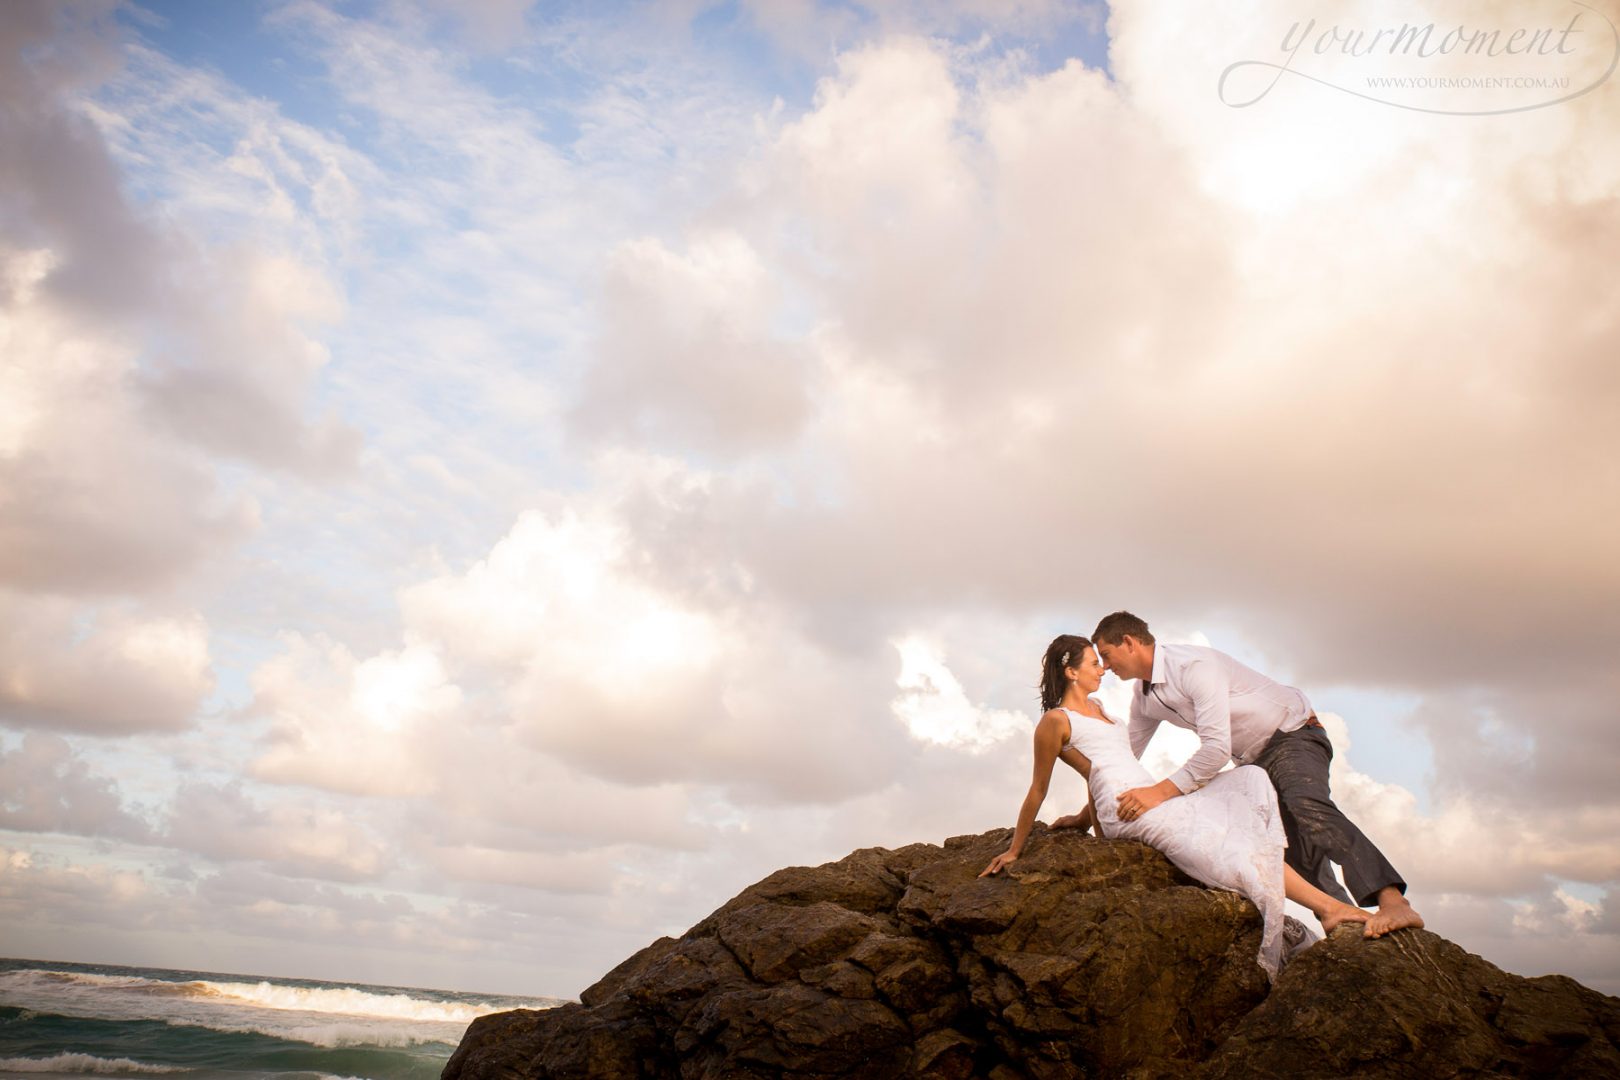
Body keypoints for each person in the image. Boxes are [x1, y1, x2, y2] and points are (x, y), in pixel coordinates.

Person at [980, 635, 1373, 978]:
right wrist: (1016, 849)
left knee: (1244, 792)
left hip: (1146, 794)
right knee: (1233, 846)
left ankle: (1329, 908)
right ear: (1071, 672)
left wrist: (1087, 824)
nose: (1102, 669)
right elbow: (1041, 788)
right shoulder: (1055, 721)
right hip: (1128, 807)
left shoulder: (1105, 713)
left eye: (1103, 660)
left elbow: (1096, 774)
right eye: (1094, 662)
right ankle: (1329, 907)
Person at [1090, 611, 1423, 939]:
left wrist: (1159, 792)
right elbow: (1124, 757)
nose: (1105, 667)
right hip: (1252, 761)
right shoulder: (1143, 697)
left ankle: (1393, 902)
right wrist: (1085, 815)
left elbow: (1216, 749)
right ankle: (1349, 922)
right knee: (1289, 847)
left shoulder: (1193, 666)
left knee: (1306, 805)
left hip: (1291, 734)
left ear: (1130, 643)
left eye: (1106, 655)